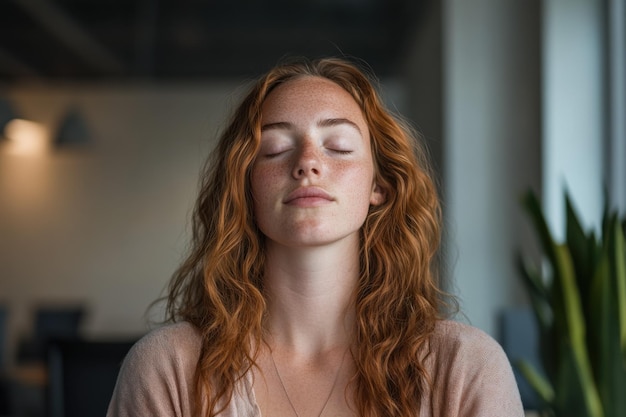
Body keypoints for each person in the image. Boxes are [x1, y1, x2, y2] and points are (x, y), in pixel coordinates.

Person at [107, 57, 524, 417]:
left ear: (379, 185)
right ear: (245, 187)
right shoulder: (169, 367)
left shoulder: (465, 367)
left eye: (338, 147)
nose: (308, 162)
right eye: (273, 150)